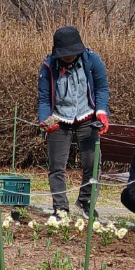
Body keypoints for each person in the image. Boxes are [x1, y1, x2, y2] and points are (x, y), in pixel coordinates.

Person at [37, 26, 110, 216]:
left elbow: (102, 88)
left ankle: (86, 201)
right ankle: (60, 208)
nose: (68, 56)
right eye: (64, 54)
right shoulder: (48, 66)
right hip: (59, 119)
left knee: (92, 163)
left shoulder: (92, 60)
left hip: (87, 117)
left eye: (72, 53)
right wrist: (45, 122)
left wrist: (101, 112)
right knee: (57, 166)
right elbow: (44, 99)